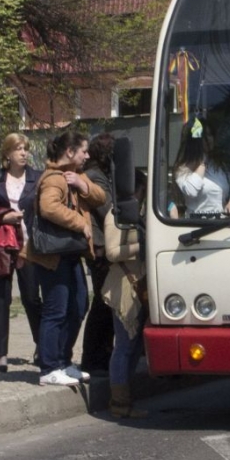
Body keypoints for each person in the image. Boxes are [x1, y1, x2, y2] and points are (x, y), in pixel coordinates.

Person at [26, 130, 106, 386]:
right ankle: (49, 367)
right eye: (83, 150)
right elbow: (49, 207)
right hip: (52, 256)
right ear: (69, 152)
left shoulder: (74, 177)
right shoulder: (54, 179)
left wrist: (83, 185)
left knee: (79, 305)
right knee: (56, 310)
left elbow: (101, 197)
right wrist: (80, 223)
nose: (87, 155)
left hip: (69, 253)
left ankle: (63, 361)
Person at [0, 133, 43, 373]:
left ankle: (41, 346)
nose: (24, 153)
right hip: (2, 246)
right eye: (18, 149)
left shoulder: (37, 177)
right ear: (8, 154)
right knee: (1, 299)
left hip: (29, 245)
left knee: (32, 298)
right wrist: (3, 217)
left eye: (26, 148)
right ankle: (2, 354)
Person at [102, 170, 148, 418]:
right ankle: (119, 403)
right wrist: (143, 245)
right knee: (124, 345)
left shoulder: (139, 214)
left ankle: (126, 399)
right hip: (123, 284)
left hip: (138, 283)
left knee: (134, 344)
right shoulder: (115, 214)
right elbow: (111, 252)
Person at [80, 133, 115, 376]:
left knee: (103, 302)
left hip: (101, 247)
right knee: (103, 303)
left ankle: (99, 356)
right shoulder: (96, 177)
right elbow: (110, 211)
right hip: (101, 248)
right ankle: (94, 358)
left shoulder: (96, 175)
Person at [174, 117, 230, 216]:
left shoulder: (218, 165)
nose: (209, 139)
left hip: (221, 224)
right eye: (204, 135)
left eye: (210, 135)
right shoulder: (182, 169)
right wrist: (202, 162)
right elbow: (191, 190)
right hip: (195, 226)